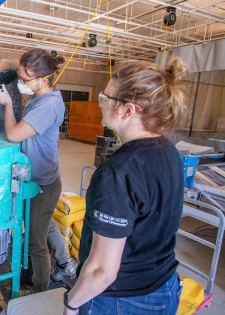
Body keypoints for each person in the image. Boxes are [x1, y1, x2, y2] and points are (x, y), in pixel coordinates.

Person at [63, 58, 187, 315]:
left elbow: (102, 271)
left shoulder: (118, 172)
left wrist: (71, 303)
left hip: (123, 299)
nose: (101, 105)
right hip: (164, 285)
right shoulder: (168, 150)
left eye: (105, 98)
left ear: (128, 110)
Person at [0, 48, 75, 293]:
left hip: (43, 183)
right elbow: (16, 66)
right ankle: (65, 262)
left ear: (44, 79)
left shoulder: (47, 105)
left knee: (35, 243)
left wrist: (8, 103)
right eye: (20, 76)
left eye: (25, 79)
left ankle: (40, 289)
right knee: (45, 225)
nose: (20, 82)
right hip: (35, 179)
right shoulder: (39, 93)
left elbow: (13, 133)